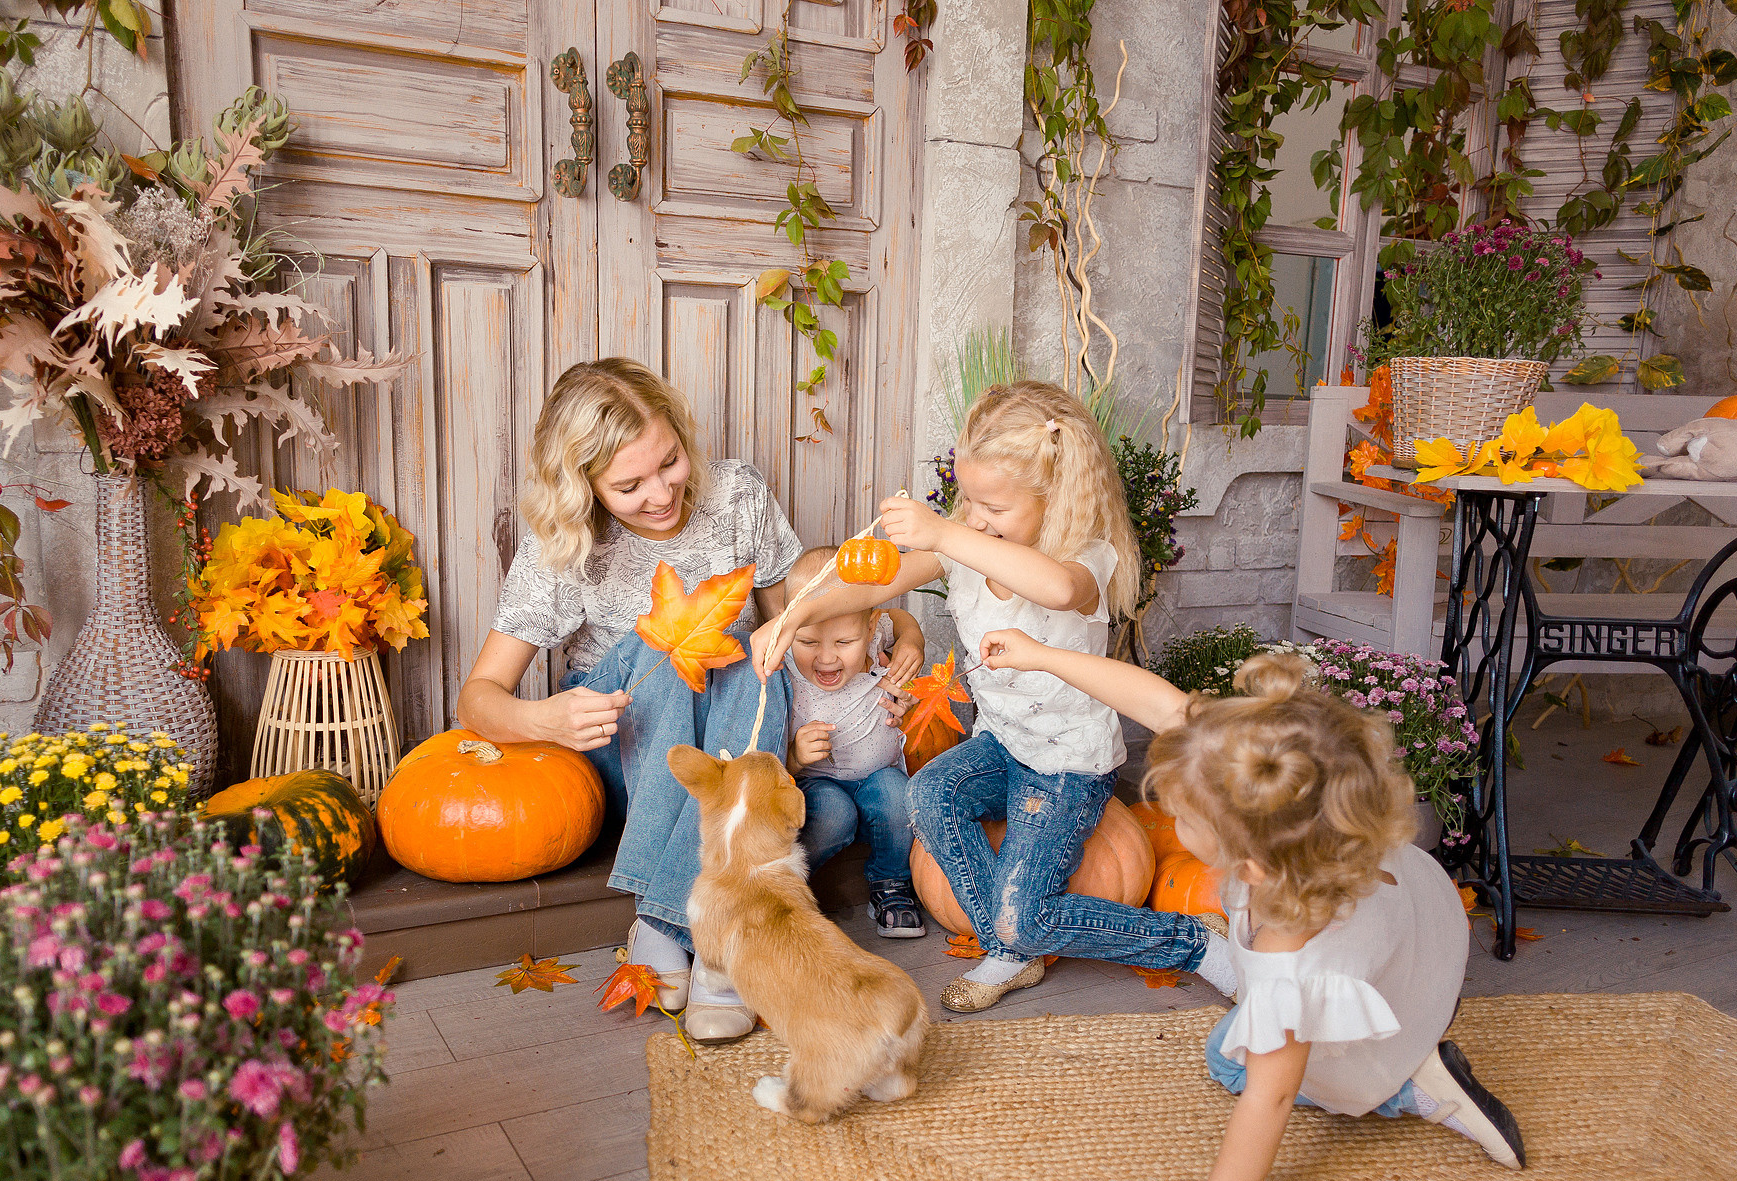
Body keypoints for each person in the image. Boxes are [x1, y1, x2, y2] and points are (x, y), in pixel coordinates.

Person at [988, 638, 1526, 1181]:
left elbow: (1270, 1099)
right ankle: (1413, 1030)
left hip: (1367, 974)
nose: (1170, 814)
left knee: (1233, 1062)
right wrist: (1043, 655)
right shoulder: (1304, 800)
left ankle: (1412, 1089)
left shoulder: (1285, 959)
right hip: (1415, 924)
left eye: (1182, 815)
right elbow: (1156, 702)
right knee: (1279, 1032)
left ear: (1247, 865)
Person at [753, 380, 1235, 1011]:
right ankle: (1010, 942)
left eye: (994, 509)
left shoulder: (1086, 557)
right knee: (929, 793)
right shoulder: (966, 549)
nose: (974, 518)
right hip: (1002, 746)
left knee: (1025, 916)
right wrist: (793, 615)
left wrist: (947, 535)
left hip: (1064, 766)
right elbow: (871, 588)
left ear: (1055, 498)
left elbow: (1058, 591)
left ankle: (1192, 943)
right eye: (968, 501)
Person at [458, 358, 799, 1043]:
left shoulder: (736, 494)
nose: (660, 493)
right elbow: (478, 699)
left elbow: (787, 633)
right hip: (632, 757)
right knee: (668, 649)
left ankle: (669, 922)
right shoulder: (565, 547)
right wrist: (542, 717)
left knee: (747, 652)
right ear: (583, 486)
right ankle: (721, 942)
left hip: (735, 744)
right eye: (628, 485)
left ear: (681, 434)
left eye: (669, 462)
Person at [780, 547, 928, 938]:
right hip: (817, 782)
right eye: (809, 642)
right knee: (833, 815)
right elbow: (765, 753)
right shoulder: (781, 669)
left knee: (900, 797)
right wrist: (794, 755)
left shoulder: (879, 633)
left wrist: (913, 640)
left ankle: (890, 886)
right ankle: (789, 887)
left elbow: (899, 617)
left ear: (869, 629)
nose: (826, 658)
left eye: (844, 642)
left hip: (879, 775)